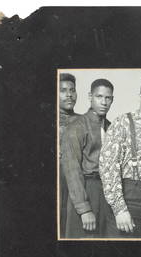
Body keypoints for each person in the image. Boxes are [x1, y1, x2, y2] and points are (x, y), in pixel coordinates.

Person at [99, 77, 141, 238]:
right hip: (128, 197)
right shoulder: (122, 122)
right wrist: (119, 209)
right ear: (140, 96)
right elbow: (108, 167)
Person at [62, 78, 118, 238]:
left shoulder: (111, 127)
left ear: (112, 100)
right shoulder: (77, 126)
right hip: (87, 189)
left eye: (108, 98)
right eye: (99, 97)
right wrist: (84, 208)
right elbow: (72, 170)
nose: (104, 102)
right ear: (90, 97)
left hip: (107, 193)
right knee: (83, 245)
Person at [59, 73, 79, 238]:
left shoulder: (83, 121)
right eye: (63, 90)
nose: (69, 95)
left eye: (72, 90)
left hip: (77, 181)